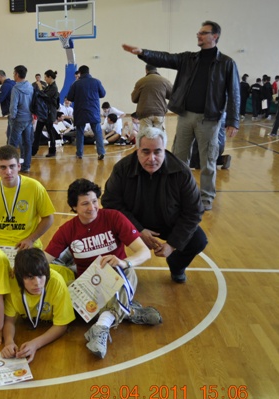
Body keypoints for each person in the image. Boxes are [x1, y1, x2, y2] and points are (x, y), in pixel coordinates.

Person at [122, 20, 240, 211]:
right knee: (178, 158)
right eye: (198, 32)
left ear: (215, 36)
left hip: (209, 120)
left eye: (203, 33)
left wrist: (233, 120)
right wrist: (143, 52)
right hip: (185, 116)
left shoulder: (226, 63)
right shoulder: (189, 59)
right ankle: (176, 195)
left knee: (208, 161)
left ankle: (206, 198)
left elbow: (234, 92)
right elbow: (166, 58)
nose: (198, 35)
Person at [45, 178, 161, 358]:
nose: (92, 207)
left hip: (115, 281)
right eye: (85, 204)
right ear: (74, 207)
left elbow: (144, 252)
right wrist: (21, 269)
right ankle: (129, 311)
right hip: (88, 287)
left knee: (127, 270)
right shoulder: (67, 230)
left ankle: (101, 327)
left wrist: (124, 262)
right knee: (69, 304)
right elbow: (45, 259)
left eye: (94, 201)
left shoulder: (114, 217)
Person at [101, 127, 207, 284]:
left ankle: (176, 265)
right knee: (103, 232)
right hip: (132, 221)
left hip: (169, 221)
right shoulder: (122, 169)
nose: (152, 158)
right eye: (145, 152)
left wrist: (172, 245)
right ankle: (109, 272)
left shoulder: (181, 172)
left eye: (157, 152)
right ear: (137, 150)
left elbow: (194, 211)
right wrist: (137, 229)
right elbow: (110, 203)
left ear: (164, 150)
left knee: (198, 240)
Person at [1, 248, 74, 362]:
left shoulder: (57, 282)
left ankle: (67, 257)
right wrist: (9, 342)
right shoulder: (12, 283)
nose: (37, 283)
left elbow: (62, 325)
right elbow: (9, 320)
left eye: (41, 276)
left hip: (67, 276)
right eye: (30, 277)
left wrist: (35, 344)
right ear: (20, 278)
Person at [0, 145, 55, 249]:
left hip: (27, 244)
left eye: (12, 166)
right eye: (3, 167)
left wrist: (31, 239)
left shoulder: (35, 187)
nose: (8, 172)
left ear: (19, 166)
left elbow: (48, 218)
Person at [66, 65, 106, 160]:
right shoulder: (96, 81)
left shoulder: (76, 84)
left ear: (80, 73)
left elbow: (70, 97)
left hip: (80, 111)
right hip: (93, 110)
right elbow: (103, 94)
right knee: (97, 131)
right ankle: (101, 152)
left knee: (80, 132)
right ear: (88, 72)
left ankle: (79, 153)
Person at [131, 64, 172, 133]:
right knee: (159, 135)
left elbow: (134, 99)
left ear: (146, 70)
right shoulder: (165, 81)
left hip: (145, 113)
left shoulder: (140, 82)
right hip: (159, 112)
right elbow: (173, 96)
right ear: (156, 69)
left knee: (146, 135)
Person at [8, 65, 34, 172]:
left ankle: (11, 166)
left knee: (12, 144)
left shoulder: (16, 88)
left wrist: (12, 117)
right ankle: (26, 166)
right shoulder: (30, 87)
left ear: (17, 74)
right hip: (28, 118)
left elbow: (13, 105)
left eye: (14, 73)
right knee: (27, 143)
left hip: (18, 119)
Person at [32, 70, 60, 158]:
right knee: (38, 132)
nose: (44, 79)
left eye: (45, 77)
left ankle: (52, 150)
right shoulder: (49, 87)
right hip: (44, 113)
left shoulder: (54, 87)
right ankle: (34, 150)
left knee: (50, 132)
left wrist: (40, 87)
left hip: (49, 113)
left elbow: (45, 96)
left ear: (50, 77)